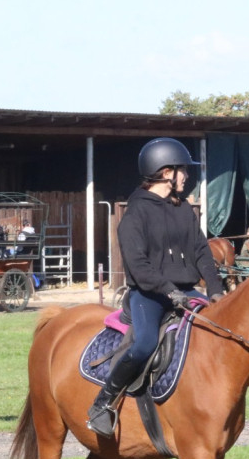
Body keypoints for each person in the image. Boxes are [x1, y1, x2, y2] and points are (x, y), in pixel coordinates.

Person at [86, 137, 225, 438]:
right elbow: (139, 267)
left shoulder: (184, 210)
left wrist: (215, 289)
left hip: (186, 291)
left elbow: (202, 251)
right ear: (165, 172)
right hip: (149, 295)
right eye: (182, 171)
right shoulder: (135, 215)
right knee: (145, 344)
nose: (186, 176)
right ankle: (103, 403)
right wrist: (169, 291)